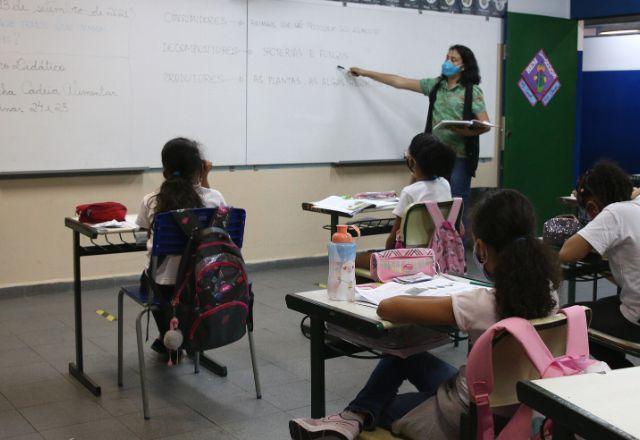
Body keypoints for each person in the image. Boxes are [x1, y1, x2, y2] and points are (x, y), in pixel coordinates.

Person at [290, 190, 560, 440]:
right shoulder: (550, 296)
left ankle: (351, 418)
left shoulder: (480, 304)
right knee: (405, 355)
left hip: (467, 416)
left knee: (379, 408)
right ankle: (348, 419)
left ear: (481, 248)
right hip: (519, 407)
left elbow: (388, 308)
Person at [349, 45, 491, 223]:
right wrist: (364, 72)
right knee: (426, 202)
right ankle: (432, 247)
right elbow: (399, 82)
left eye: (453, 60)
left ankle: (455, 247)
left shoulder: (471, 91)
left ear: (464, 66)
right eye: (447, 58)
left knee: (455, 206)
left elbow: (485, 124)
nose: (447, 62)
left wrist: (463, 131)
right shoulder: (435, 85)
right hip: (434, 155)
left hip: (460, 158)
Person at [135, 137, 226, 357]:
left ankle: (169, 336)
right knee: (186, 282)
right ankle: (187, 335)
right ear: (199, 168)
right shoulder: (215, 199)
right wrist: (205, 178)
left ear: (165, 171)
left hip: (163, 287)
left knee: (153, 278)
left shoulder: (151, 201)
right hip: (204, 282)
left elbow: (145, 233)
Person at [559, 161, 640, 369]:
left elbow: (567, 253)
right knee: (605, 307)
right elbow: (629, 273)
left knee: (566, 317)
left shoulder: (614, 212)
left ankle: (622, 374)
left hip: (635, 319)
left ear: (592, 207)